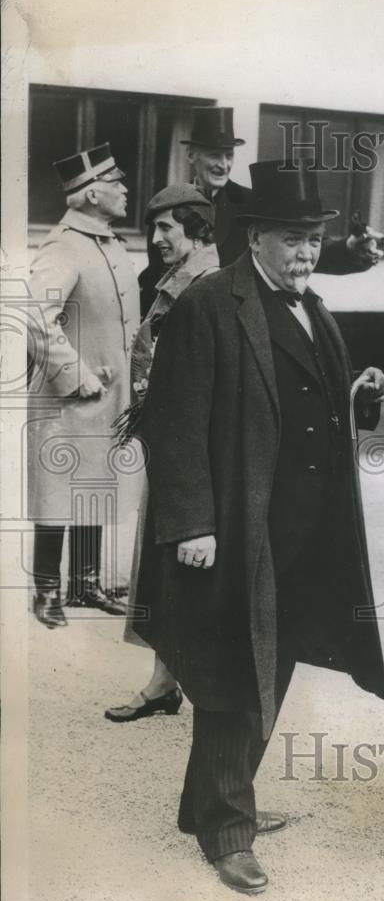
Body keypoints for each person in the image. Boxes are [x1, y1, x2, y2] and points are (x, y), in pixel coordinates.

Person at [131, 159, 384, 894]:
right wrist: (192, 523)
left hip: (307, 528)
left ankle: (221, 802)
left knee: (270, 668)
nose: (307, 253)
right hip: (238, 528)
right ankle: (225, 830)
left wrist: (359, 397)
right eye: (292, 239)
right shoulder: (212, 304)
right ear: (254, 238)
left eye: (313, 239)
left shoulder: (312, 307)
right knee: (231, 672)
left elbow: (310, 404)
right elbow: (174, 423)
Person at [104, 184, 219, 723]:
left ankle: (189, 686)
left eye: (167, 228)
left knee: (181, 560)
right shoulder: (178, 280)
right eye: (153, 228)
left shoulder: (209, 284)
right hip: (168, 440)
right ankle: (165, 681)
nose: (155, 240)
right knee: (161, 559)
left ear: (197, 230)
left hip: (193, 447)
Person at [27, 143, 137, 628]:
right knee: (56, 489)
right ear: (92, 194)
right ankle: (46, 593)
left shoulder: (109, 242)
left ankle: (85, 585)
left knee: (95, 481)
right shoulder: (63, 244)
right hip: (68, 397)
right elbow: (32, 318)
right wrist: (75, 375)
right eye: (117, 183)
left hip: (107, 392)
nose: (125, 189)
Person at [139, 107, 382, 315]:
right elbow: (156, 271)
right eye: (214, 155)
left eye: (229, 155)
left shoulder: (251, 203)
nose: (223, 165)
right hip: (180, 319)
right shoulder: (168, 207)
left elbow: (301, 243)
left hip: (237, 322)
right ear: (191, 155)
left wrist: (350, 249)